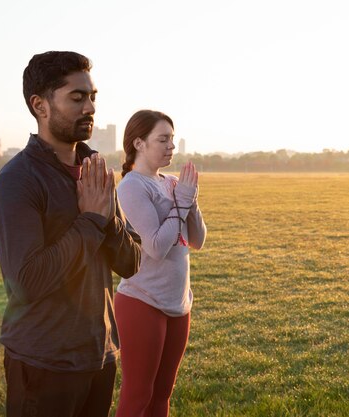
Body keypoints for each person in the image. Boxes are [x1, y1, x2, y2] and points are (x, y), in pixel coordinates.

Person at [0, 51, 142, 417]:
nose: (89, 107)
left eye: (92, 97)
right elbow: (28, 281)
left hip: (99, 355)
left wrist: (106, 218)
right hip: (43, 363)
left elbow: (132, 262)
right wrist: (89, 220)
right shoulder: (17, 181)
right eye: (76, 98)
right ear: (40, 105)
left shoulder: (96, 172)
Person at [114, 110, 207, 417]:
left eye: (172, 139)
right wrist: (181, 202)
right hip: (142, 300)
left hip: (179, 302)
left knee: (162, 394)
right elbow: (154, 246)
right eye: (162, 139)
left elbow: (197, 240)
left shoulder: (172, 182)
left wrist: (190, 200)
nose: (171, 146)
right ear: (139, 143)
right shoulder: (132, 186)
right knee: (138, 395)